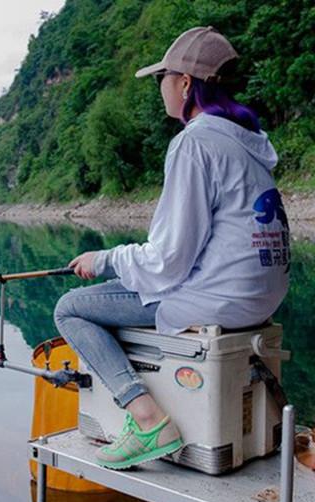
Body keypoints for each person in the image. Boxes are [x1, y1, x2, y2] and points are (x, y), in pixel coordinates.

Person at [53, 26, 290, 470]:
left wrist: (104, 259)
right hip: (260, 300)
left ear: (185, 83)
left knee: (70, 309)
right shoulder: (247, 146)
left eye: (162, 77)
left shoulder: (195, 144)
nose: (159, 87)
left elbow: (168, 260)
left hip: (221, 300)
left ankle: (148, 419)